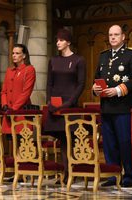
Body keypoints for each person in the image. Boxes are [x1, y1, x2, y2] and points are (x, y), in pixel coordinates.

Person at [92, 24, 132, 187]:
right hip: (106, 106)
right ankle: (113, 175)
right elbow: (97, 77)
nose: (112, 37)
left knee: (124, 141)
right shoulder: (103, 56)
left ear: (123, 37)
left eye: (116, 35)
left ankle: (128, 175)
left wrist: (118, 90)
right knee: (109, 143)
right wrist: (95, 89)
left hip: (123, 106)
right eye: (110, 35)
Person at [44, 28, 86, 183]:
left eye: (61, 40)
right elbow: (49, 83)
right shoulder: (53, 60)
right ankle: (66, 173)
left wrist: (69, 103)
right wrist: (49, 101)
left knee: (71, 139)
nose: (58, 43)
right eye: (57, 40)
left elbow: (81, 84)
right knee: (62, 139)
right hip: (55, 105)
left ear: (68, 42)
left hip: (70, 105)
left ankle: (72, 173)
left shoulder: (79, 60)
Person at [1, 43, 36, 134]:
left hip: (21, 113)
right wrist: (4, 105)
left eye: (17, 53)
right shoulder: (9, 70)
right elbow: (4, 91)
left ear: (24, 55)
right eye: (13, 53)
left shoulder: (29, 69)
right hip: (8, 112)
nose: (14, 56)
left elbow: (26, 93)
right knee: (10, 140)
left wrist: (13, 109)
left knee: (23, 144)